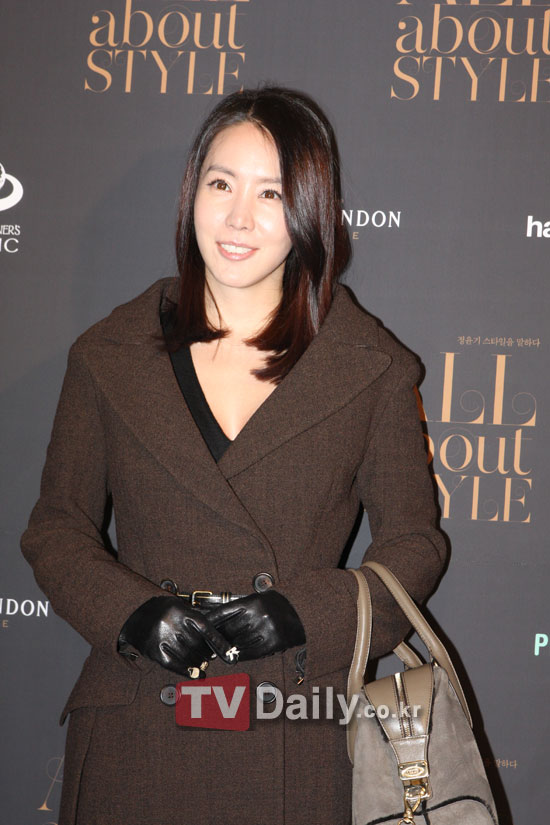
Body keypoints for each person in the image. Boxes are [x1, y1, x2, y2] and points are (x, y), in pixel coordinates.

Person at [20, 86, 447, 825]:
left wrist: (302, 614)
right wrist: (130, 613)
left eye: (271, 193)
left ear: (310, 211)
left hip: (293, 727)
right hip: (136, 726)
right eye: (221, 184)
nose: (239, 217)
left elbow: (415, 544)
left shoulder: (371, 369)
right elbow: (56, 529)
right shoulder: (107, 356)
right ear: (193, 193)